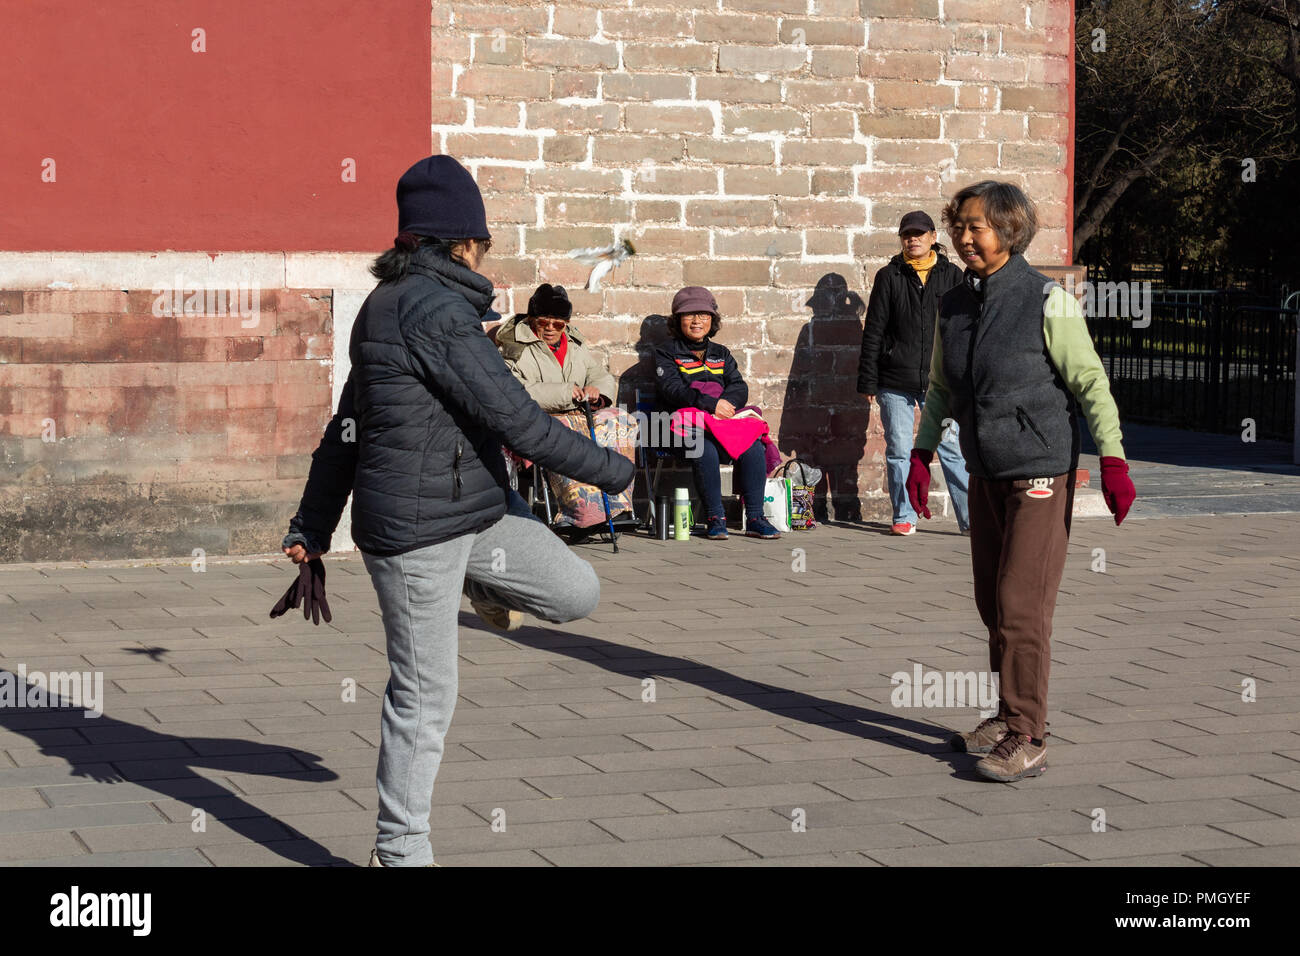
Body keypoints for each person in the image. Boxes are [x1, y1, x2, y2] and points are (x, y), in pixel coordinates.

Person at [279, 156, 633, 866]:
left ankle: (482, 584)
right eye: (484, 242)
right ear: (462, 243)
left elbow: (346, 424)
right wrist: (617, 471)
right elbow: (520, 424)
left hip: (475, 512)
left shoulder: (400, 303)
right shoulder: (434, 312)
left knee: (577, 591)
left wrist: (312, 522)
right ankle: (400, 851)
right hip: (413, 537)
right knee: (425, 694)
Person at [907, 180, 1137, 783]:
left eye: (975, 226)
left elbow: (1090, 382)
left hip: (1038, 470)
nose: (963, 236)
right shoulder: (953, 304)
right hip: (984, 472)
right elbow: (939, 389)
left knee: (1020, 605)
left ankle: (1029, 733)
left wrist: (1112, 460)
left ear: (1009, 230)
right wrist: (920, 455)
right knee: (992, 603)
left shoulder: (1046, 300)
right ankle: (1007, 713)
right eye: (958, 226)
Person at [858, 210, 971, 536]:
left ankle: (969, 519)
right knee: (899, 450)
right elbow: (874, 330)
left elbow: (964, 328)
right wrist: (868, 379)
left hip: (941, 383)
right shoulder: (888, 276)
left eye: (920, 233)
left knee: (952, 450)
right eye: (907, 234)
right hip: (895, 381)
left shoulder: (952, 276)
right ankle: (904, 516)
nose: (913, 239)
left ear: (933, 237)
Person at [495, 283, 638, 532]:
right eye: (543, 322)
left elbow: (598, 374)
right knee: (561, 432)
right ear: (531, 319)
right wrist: (565, 393)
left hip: (579, 412)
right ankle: (581, 512)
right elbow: (514, 390)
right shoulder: (512, 348)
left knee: (620, 419)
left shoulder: (574, 344)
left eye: (558, 324)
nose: (551, 329)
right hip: (540, 418)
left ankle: (618, 506)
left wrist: (597, 392)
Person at [653, 286, 782, 540]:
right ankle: (715, 517)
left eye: (703, 314)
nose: (697, 321)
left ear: (713, 319)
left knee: (753, 446)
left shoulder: (720, 353)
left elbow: (738, 386)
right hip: (681, 429)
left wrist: (726, 405)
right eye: (689, 315)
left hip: (721, 426)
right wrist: (710, 405)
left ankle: (755, 517)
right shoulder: (666, 353)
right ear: (677, 320)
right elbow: (672, 389)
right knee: (704, 449)